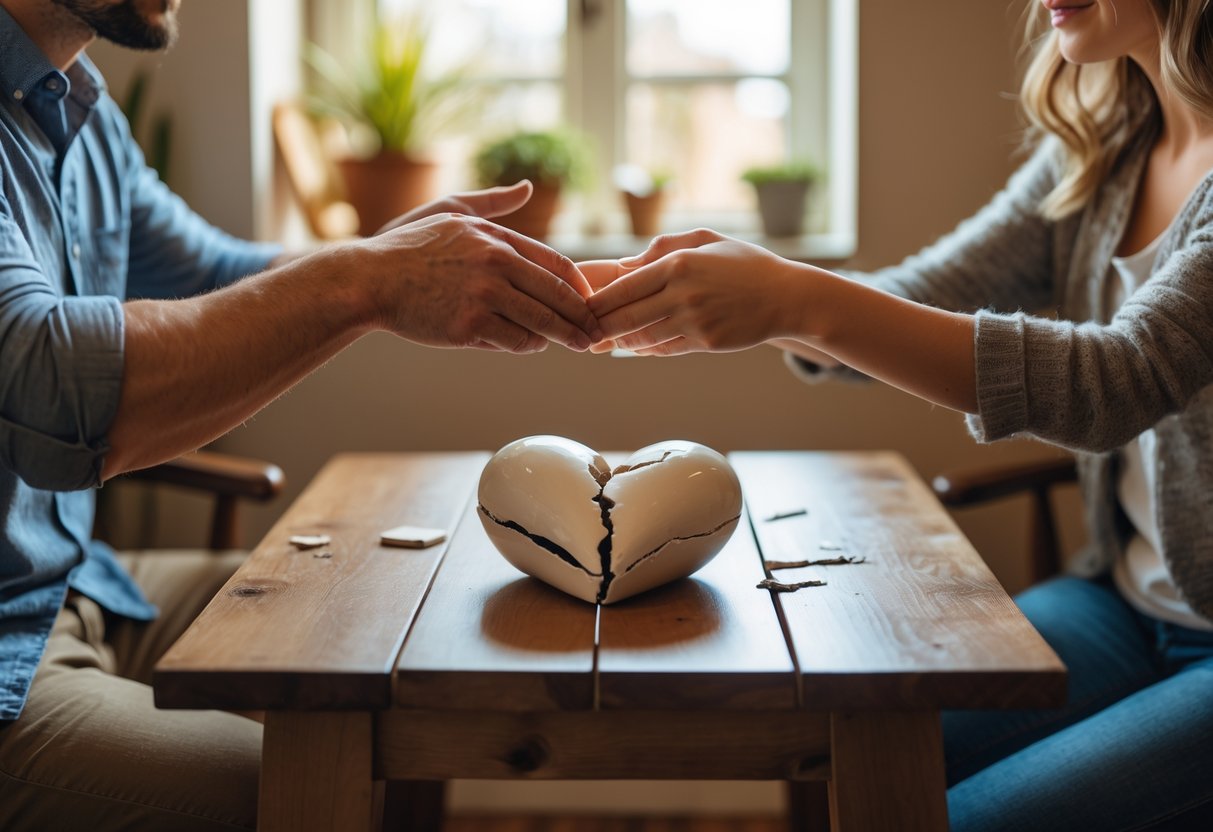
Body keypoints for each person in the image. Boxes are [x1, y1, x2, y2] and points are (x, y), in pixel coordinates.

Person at [583, 0, 1213, 828]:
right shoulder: (1104, 148)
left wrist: (792, 300)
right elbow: (918, 297)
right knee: (849, 753)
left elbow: (1114, 383)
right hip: (1125, 607)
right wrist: (749, 290)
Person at [0, 1, 602, 829]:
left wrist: (382, 252)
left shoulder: (74, 110)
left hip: (75, 580)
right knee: (299, 790)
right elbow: (52, 377)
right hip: (9, 647)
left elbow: (211, 271)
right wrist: (365, 281)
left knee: (400, 633)